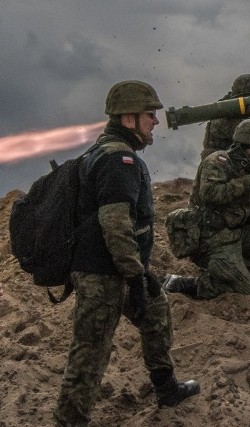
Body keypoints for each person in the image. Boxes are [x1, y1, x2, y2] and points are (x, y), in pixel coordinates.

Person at [53, 80, 200, 426]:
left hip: (120, 268)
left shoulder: (104, 153)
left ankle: (166, 388)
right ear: (129, 118)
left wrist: (138, 275)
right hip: (103, 275)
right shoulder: (119, 160)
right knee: (90, 353)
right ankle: (69, 420)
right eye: (150, 114)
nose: (156, 122)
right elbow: (115, 223)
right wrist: (134, 275)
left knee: (156, 313)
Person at [163, 119, 250, 299]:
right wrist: (247, 183)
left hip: (235, 234)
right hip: (211, 239)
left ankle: (230, 269)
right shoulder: (219, 161)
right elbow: (210, 193)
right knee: (246, 288)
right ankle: (187, 283)